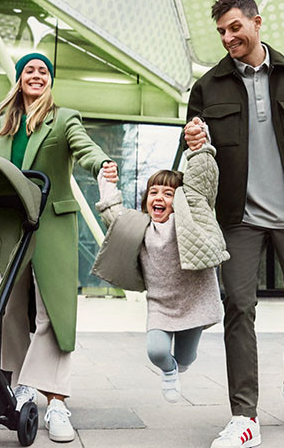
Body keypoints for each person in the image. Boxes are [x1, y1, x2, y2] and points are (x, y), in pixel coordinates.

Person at [183, 0, 284, 448]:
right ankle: (244, 416)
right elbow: (195, 150)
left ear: (256, 22)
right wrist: (193, 139)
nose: (228, 38)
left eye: (234, 27)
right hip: (239, 218)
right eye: (221, 32)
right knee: (239, 308)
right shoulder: (207, 86)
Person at [0, 52, 118, 442]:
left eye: (43, 71)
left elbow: (85, 148)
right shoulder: (6, 125)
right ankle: (20, 386)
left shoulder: (63, 118)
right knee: (9, 310)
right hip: (13, 227)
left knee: (54, 313)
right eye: (29, 70)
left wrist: (102, 164)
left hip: (53, 225)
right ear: (19, 79)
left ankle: (56, 401)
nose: (37, 74)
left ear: (50, 80)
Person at [92, 138, 229, 402]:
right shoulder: (139, 227)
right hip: (161, 304)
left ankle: (179, 367)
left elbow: (201, 186)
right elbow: (112, 212)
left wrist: (199, 148)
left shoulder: (189, 220)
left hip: (195, 300)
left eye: (168, 194)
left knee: (187, 358)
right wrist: (106, 180)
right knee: (157, 352)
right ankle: (168, 371)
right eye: (154, 192)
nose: (159, 197)